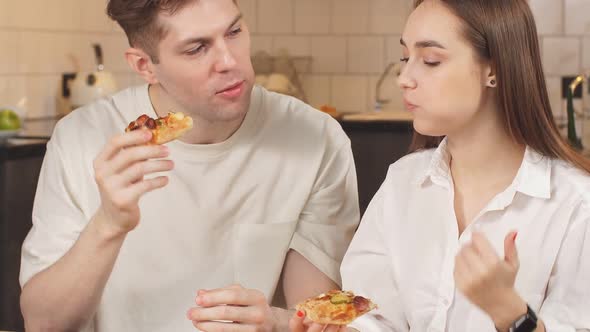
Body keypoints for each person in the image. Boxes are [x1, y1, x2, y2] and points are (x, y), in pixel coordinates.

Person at [18, 0, 360, 331]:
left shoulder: (315, 139)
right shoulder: (80, 138)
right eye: (196, 49)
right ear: (144, 66)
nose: (229, 61)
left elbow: (317, 317)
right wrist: (109, 223)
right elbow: (44, 324)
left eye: (234, 31)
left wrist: (276, 324)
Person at [291, 0, 590, 331]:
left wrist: (512, 314)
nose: (404, 78)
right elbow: (374, 315)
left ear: (494, 69)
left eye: (430, 60)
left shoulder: (576, 204)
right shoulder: (402, 182)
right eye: (406, 58)